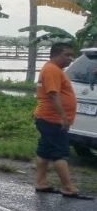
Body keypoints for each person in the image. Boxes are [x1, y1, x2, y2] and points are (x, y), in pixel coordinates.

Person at [34, 42, 91, 199]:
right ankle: (68, 187)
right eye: (67, 55)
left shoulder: (53, 69)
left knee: (44, 151)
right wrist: (63, 117)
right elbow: (53, 95)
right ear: (56, 54)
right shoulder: (52, 70)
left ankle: (41, 182)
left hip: (46, 118)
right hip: (52, 119)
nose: (70, 59)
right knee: (60, 154)